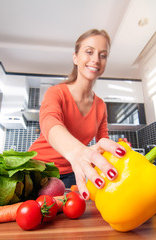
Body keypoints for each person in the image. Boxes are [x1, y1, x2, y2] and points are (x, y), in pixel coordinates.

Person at [28, 29, 126, 200]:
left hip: (73, 172)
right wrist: (77, 152)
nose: (96, 59)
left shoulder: (101, 106)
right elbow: (49, 122)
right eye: (89, 52)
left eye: (103, 55)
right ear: (75, 57)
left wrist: (118, 149)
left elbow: (102, 141)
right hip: (38, 170)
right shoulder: (56, 92)